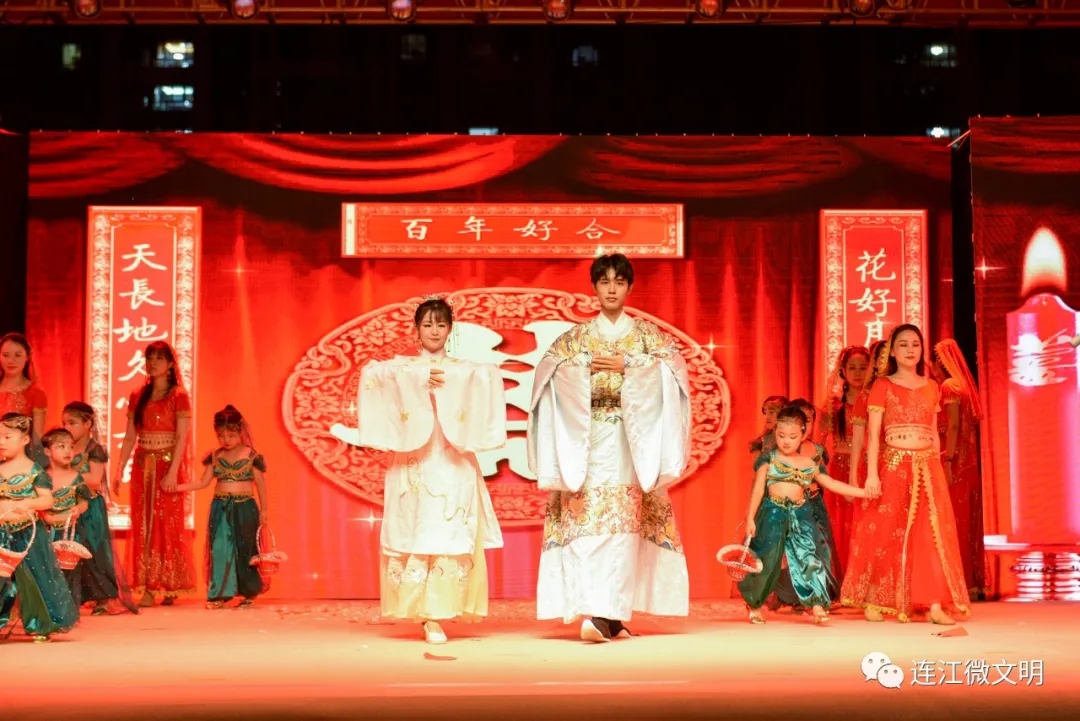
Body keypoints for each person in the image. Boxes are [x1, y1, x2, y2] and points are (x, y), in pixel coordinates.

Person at [528, 253, 692, 643]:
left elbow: (675, 373)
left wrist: (631, 366)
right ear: (595, 287)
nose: (612, 289)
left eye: (619, 282)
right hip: (585, 441)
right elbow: (546, 373)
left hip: (631, 443)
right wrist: (582, 369)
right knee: (588, 523)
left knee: (623, 526)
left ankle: (608, 614)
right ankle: (603, 612)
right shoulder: (575, 339)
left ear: (630, 287)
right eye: (605, 282)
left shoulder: (648, 336)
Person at [355, 296, 505, 645]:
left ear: (450, 329)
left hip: (452, 460)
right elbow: (372, 375)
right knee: (419, 529)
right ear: (416, 329)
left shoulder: (463, 369)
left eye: (441, 324)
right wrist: (418, 378)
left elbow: (488, 377)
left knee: (449, 529)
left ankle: (440, 609)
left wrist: (451, 381)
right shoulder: (403, 368)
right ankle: (427, 615)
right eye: (427, 324)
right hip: (416, 460)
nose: (434, 331)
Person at [841, 324, 971, 624]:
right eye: (903, 344)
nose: (910, 350)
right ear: (892, 351)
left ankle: (934, 604)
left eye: (915, 344)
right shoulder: (882, 386)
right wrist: (871, 475)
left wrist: (939, 468)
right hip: (894, 464)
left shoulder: (931, 386)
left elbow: (934, 434)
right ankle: (875, 598)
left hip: (927, 466)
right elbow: (874, 435)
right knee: (885, 530)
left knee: (930, 534)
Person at [737, 406, 874, 624]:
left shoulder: (809, 464)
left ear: (803, 435)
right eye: (781, 435)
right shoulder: (769, 460)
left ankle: (817, 604)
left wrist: (863, 492)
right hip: (772, 513)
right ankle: (754, 604)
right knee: (767, 560)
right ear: (775, 433)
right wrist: (750, 518)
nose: (786, 441)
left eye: (792, 437)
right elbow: (757, 491)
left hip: (801, 514)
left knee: (809, 558)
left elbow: (831, 483)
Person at [113, 341, 196, 607]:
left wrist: (173, 472)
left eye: (159, 358)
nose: (153, 363)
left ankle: (171, 583)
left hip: (167, 464)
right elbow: (130, 437)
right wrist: (119, 469)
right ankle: (146, 586)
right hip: (142, 465)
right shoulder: (138, 395)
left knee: (167, 523)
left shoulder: (179, 395)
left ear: (170, 364)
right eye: (149, 358)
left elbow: (182, 438)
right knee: (143, 523)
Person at [172, 405, 269, 609]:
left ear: (240, 433)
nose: (226, 440)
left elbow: (260, 485)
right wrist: (178, 487)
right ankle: (220, 594)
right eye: (221, 436)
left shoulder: (252, 456)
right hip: (220, 507)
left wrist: (264, 510)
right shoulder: (215, 456)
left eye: (231, 436)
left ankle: (249, 592)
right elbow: (203, 483)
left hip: (245, 507)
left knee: (245, 549)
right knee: (220, 549)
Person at [0, 413, 79, 641]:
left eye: (7, 437)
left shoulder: (34, 471)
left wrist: (28, 503)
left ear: (25, 439)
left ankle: (42, 624)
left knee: (36, 580)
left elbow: (47, 500)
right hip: (2, 532)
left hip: (27, 532)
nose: (1, 442)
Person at [63, 401, 138, 615]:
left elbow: (95, 481)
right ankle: (75, 596)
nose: (67, 427)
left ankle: (103, 597)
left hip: (91, 507)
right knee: (70, 550)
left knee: (94, 550)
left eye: (73, 423)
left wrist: (68, 474)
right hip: (68, 506)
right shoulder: (64, 446)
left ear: (88, 423)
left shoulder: (94, 450)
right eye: (64, 423)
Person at [932, 339, 988, 599]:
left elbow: (953, 425)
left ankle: (959, 582)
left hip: (954, 462)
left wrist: (948, 460)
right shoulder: (962, 385)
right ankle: (971, 582)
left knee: (954, 523)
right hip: (969, 464)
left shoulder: (949, 386)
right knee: (966, 522)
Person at [816, 345, 870, 579]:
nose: (857, 373)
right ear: (843, 371)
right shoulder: (833, 405)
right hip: (839, 469)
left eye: (863, 368)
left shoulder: (875, 401)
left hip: (868, 468)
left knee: (865, 523)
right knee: (840, 523)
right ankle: (841, 578)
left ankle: (864, 579)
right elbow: (818, 442)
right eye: (852, 368)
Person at [0, 332, 49, 467]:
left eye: (18, 355)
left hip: (20, 463)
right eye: (5, 355)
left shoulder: (35, 394)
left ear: (27, 357)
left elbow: (37, 439)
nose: (11, 361)